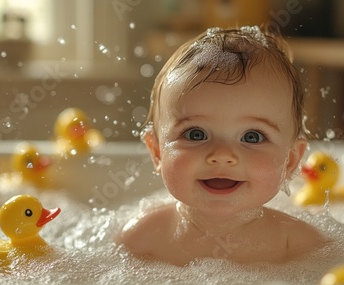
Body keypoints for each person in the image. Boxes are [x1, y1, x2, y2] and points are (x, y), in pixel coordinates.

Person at [117, 26, 326, 266]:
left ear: (289, 161)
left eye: (252, 137)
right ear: (157, 152)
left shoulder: (297, 243)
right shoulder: (144, 237)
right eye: (196, 134)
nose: (222, 155)